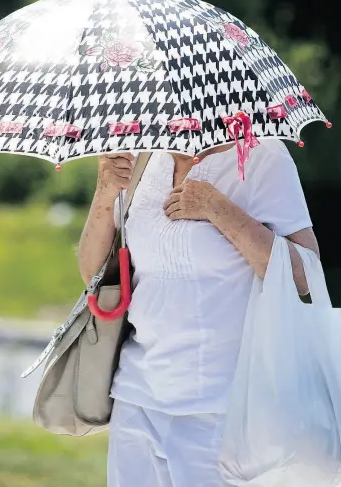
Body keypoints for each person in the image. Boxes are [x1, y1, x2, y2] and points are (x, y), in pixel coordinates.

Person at [78, 140, 320, 487]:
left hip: (222, 407)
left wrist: (217, 208)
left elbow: (304, 276)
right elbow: (92, 274)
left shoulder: (262, 156)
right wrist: (104, 192)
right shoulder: (145, 157)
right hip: (138, 395)